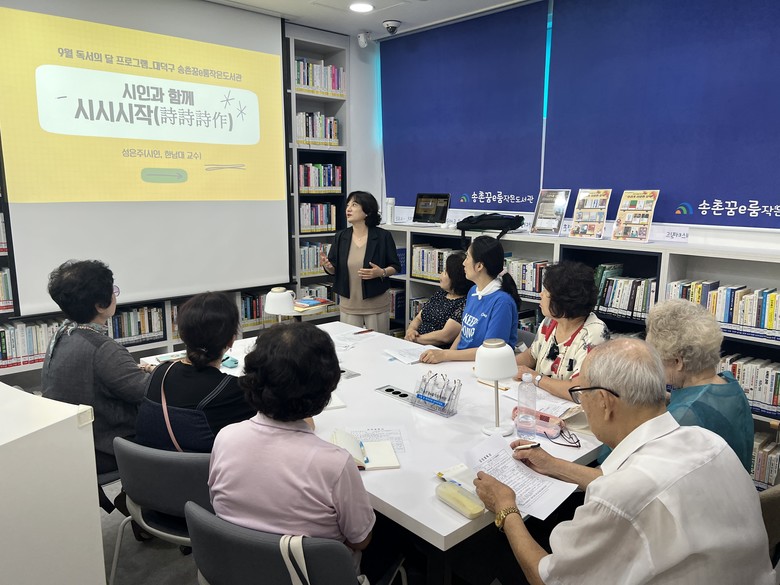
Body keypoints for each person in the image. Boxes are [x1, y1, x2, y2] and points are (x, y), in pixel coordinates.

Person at [474, 338, 775, 585]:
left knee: (488, 551)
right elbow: (636, 483)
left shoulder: (621, 495)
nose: (581, 404)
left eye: (580, 394)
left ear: (604, 402)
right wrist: (553, 465)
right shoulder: (708, 441)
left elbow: (548, 578)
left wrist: (506, 508)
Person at [208, 322, 376, 576]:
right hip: (310, 577)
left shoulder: (225, 438)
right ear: (325, 387)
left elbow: (219, 505)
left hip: (236, 570)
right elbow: (360, 540)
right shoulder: (335, 464)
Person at [41, 260, 149, 513]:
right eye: (113, 290)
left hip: (75, 441)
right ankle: (150, 504)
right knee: (174, 422)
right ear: (101, 305)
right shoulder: (103, 348)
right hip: (106, 445)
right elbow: (145, 392)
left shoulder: (61, 335)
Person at [135, 292, 255, 452]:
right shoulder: (234, 390)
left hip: (145, 466)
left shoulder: (159, 373)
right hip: (205, 468)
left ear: (183, 336)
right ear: (231, 339)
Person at [645, 298, 753, 471]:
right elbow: (707, 407)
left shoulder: (682, 417)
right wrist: (670, 399)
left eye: (657, 359)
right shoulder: (729, 383)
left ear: (678, 362)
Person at [515, 260, 609, 400]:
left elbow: (578, 391)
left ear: (563, 301)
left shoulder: (594, 334)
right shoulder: (550, 321)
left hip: (572, 409)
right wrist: (503, 366)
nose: (541, 294)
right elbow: (531, 355)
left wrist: (536, 378)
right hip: (543, 400)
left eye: (546, 291)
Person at [420, 236, 519, 364]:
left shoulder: (502, 302)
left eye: (467, 257)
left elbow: (491, 351)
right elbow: (463, 332)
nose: (463, 263)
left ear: (479, 266)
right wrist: (447, 357)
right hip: (460, 362)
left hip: (484, 365)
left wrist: (445, 354)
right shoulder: (473, 291)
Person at [320, 191, 401, 334]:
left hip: (376, 303)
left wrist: (381, 272)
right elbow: (334, 269)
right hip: (349, 304)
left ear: (367, 211)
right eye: (347, 205)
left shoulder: (383, 236)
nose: (348, 209)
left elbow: (395, 266)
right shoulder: (341, 236)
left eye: (354, 205)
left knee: (377, 343)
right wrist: (328, 266)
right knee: (350, 343)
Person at [404, 251, 472, 347]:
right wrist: (411, 330)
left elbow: (445, 336)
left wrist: (415, 339)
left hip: (435, 350)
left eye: (445, 272)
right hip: (416, 344)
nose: (441, 274)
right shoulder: (440, 294)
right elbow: (419, 318)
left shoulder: (465, 303)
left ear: (455, 278)